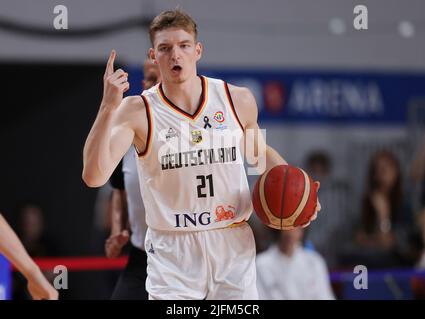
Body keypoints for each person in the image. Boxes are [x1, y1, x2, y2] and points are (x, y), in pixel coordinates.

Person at [82, 9, 320, 300]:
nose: (175, 55)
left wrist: (301, 198)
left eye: (183, 46)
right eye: (165, 48)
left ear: (197, 50)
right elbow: (94, 176)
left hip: (231, 243)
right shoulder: (136, 111)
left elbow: (260, 156)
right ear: (153, 56)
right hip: (173, 251)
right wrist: (107, 107)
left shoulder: (236, 99)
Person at [105, 57, 161, 300]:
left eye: (157, 80)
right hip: (141, 255)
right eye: (147, 78)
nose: (150, 86)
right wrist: (117, 232)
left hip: (184, 256)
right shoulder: (127, 133)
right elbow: (119, 188)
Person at [256, 228, 335, 300]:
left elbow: (325, 296)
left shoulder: (314, 262)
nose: (291, 232)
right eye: (287, 227)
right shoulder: (261, 264)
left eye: (296, 227)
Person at [0, 214, 58, 300]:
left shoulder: (49, 246)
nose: (30, 227)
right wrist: (32, 273)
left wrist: (32, 273)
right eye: (26, 224)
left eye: (33, 224)